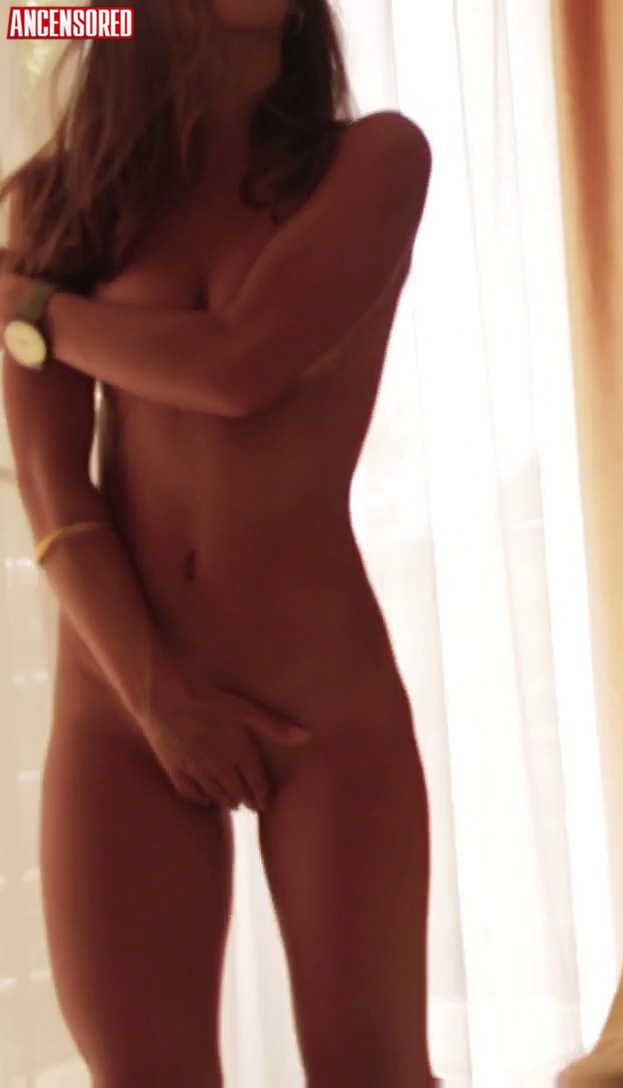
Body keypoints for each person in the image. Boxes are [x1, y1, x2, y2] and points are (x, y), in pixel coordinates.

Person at [0, 1, 433, 1083]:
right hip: (123, 704)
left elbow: (240, 366)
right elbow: (54, 488)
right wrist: (159, 700)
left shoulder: (374, 161)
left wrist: (31, 311)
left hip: (321, 707)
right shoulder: (63, 199)